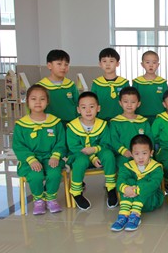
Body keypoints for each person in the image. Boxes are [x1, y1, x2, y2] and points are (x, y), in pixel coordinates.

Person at [12, 84, 66, 215]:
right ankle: (38, 200)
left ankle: (51, 198)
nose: (38, 102)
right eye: (33, 99)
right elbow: (18, 146)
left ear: (47, 102)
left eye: (42, 99)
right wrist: (31, 159)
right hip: (30, 161)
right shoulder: (21, 125)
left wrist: (55, 156)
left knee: (54, 173)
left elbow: (61, 142)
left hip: (50, 158)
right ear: (27, 101)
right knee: (36, 175)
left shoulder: (55, 122)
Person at [66, 91, 117, 210]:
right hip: (79, 156)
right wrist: (92, 158)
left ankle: (111, 187)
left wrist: (94, 149)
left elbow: (106, 143)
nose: (88, 111)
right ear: (78, 109)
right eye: (84, 107)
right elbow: (74, 147)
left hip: (99, 154)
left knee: (108, 155)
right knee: (81, 161)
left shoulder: (103, 125)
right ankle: (76, 192)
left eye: (92, 107)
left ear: (98, 108)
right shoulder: (72, 127)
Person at [110, 135, 164, 232]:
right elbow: (120, 180)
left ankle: (135, 214)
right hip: (129, 203)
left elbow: (154, 184)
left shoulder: (156, 168)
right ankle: (123, 215)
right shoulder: (127, 166)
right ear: (131, 154)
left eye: (144, 153)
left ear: (151, 153)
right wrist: (125, 188)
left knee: (143, 182)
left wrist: (137, 190)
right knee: (128, 182)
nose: (140, 157)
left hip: (150, 201)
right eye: (136, 153)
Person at [109, 87, 153, 168]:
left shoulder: (143, 122)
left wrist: (147, 152)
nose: (129, 105)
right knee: (125, 169)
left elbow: (150, 139)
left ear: (138, 104)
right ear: (120, 103)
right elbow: (114, 140)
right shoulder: (115, 122)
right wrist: (124, 151)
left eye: (133, 102)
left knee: (151, 167)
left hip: (142, 155)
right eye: (125, 102)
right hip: (123, 156)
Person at [37, 49, 78, 125]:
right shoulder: (40, 87)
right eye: (59, 64)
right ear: (49, 65)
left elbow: (78, 104)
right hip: (49, 125)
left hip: (70, 125)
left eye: (66, 64)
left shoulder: (71, 85)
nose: (63, 67)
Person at [91, 47, 130, 121]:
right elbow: (92, 102)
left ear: (117, 63)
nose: (108, 64)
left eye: (111, 61)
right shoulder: (96, 83)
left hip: (121, 120)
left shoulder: (124, 83)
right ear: (100, 64)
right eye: (104, 61)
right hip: (101, 120)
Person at [131, 50, 168, 125]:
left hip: (159, 116)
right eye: (147, 62)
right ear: (142, 64)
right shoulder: (137, 82)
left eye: (154, 62)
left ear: (158, 65)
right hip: (140, 117)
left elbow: (167, 100)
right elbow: (132, 99)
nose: (151, 65)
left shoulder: (162, 82)